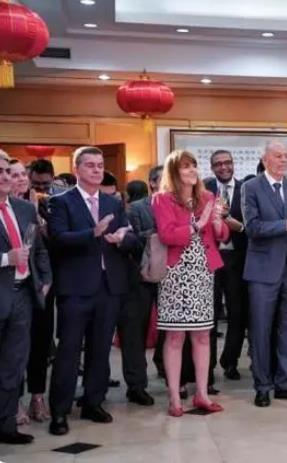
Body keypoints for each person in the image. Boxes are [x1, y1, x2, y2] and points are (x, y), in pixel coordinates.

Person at [47, 146, 137, 436]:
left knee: (100, 349)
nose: (97, 170)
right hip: (76, 288)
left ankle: (93, 401)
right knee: (69, 351)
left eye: (100, 165)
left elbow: (131, 238)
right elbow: (58, 239)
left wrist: (122, 238)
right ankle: (59, 411)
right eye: (90, 165)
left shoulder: (113, 202)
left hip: (109, 287)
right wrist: (92, 233)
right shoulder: (60, 202)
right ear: (77, 169)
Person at [152, 150, 228, 417]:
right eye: (185, 166)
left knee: (203, 334)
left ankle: (202, 394)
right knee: (175, 336)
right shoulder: (162, 199)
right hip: (175, 273)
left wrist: (216, 222)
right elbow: (167, 235)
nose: (192, 170)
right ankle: (175, 397)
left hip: (203, 271)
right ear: (174, 172)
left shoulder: (207, 197)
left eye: (193, 165)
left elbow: (222, 234)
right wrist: (198, 224)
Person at [241, 141, 287, 408]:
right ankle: (262, 386)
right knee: (261, 329)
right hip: (263, 270)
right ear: (265, 160)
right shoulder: (251, 187)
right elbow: (253, 228)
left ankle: (285, 382)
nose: (284, 160)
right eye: (278, 156)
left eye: (286, 156)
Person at [0, 155, 51, 444]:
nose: (6, 176)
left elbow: (38, 250)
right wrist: (5, 258)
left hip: (23, 296)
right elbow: (12, 255)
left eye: (8, 171)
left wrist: (45, 279)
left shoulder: (24, 208)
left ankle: (7, 425)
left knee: (14, 364)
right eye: (0, 171)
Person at [203, 150, 249, 382]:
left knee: (237, 313)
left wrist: (237, 225)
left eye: (227, 163)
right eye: (218, 164)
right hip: (209, 258)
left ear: (233, 164)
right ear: (212, 168)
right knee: (209, 315)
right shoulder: (203, 189)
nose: (223, 167)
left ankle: (230, 361)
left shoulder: (246, 190)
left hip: (238, 258)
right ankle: (207, 367)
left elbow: (253, 225)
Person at [118, 166, 162, 406]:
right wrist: (160, 233)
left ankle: (168, 370)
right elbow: (131, 239)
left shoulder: (181, 206)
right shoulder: (135, 208)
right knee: (135, 331)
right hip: (140, 276)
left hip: (172, 276)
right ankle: (136, 385)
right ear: (152, 183)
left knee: (171, 331)